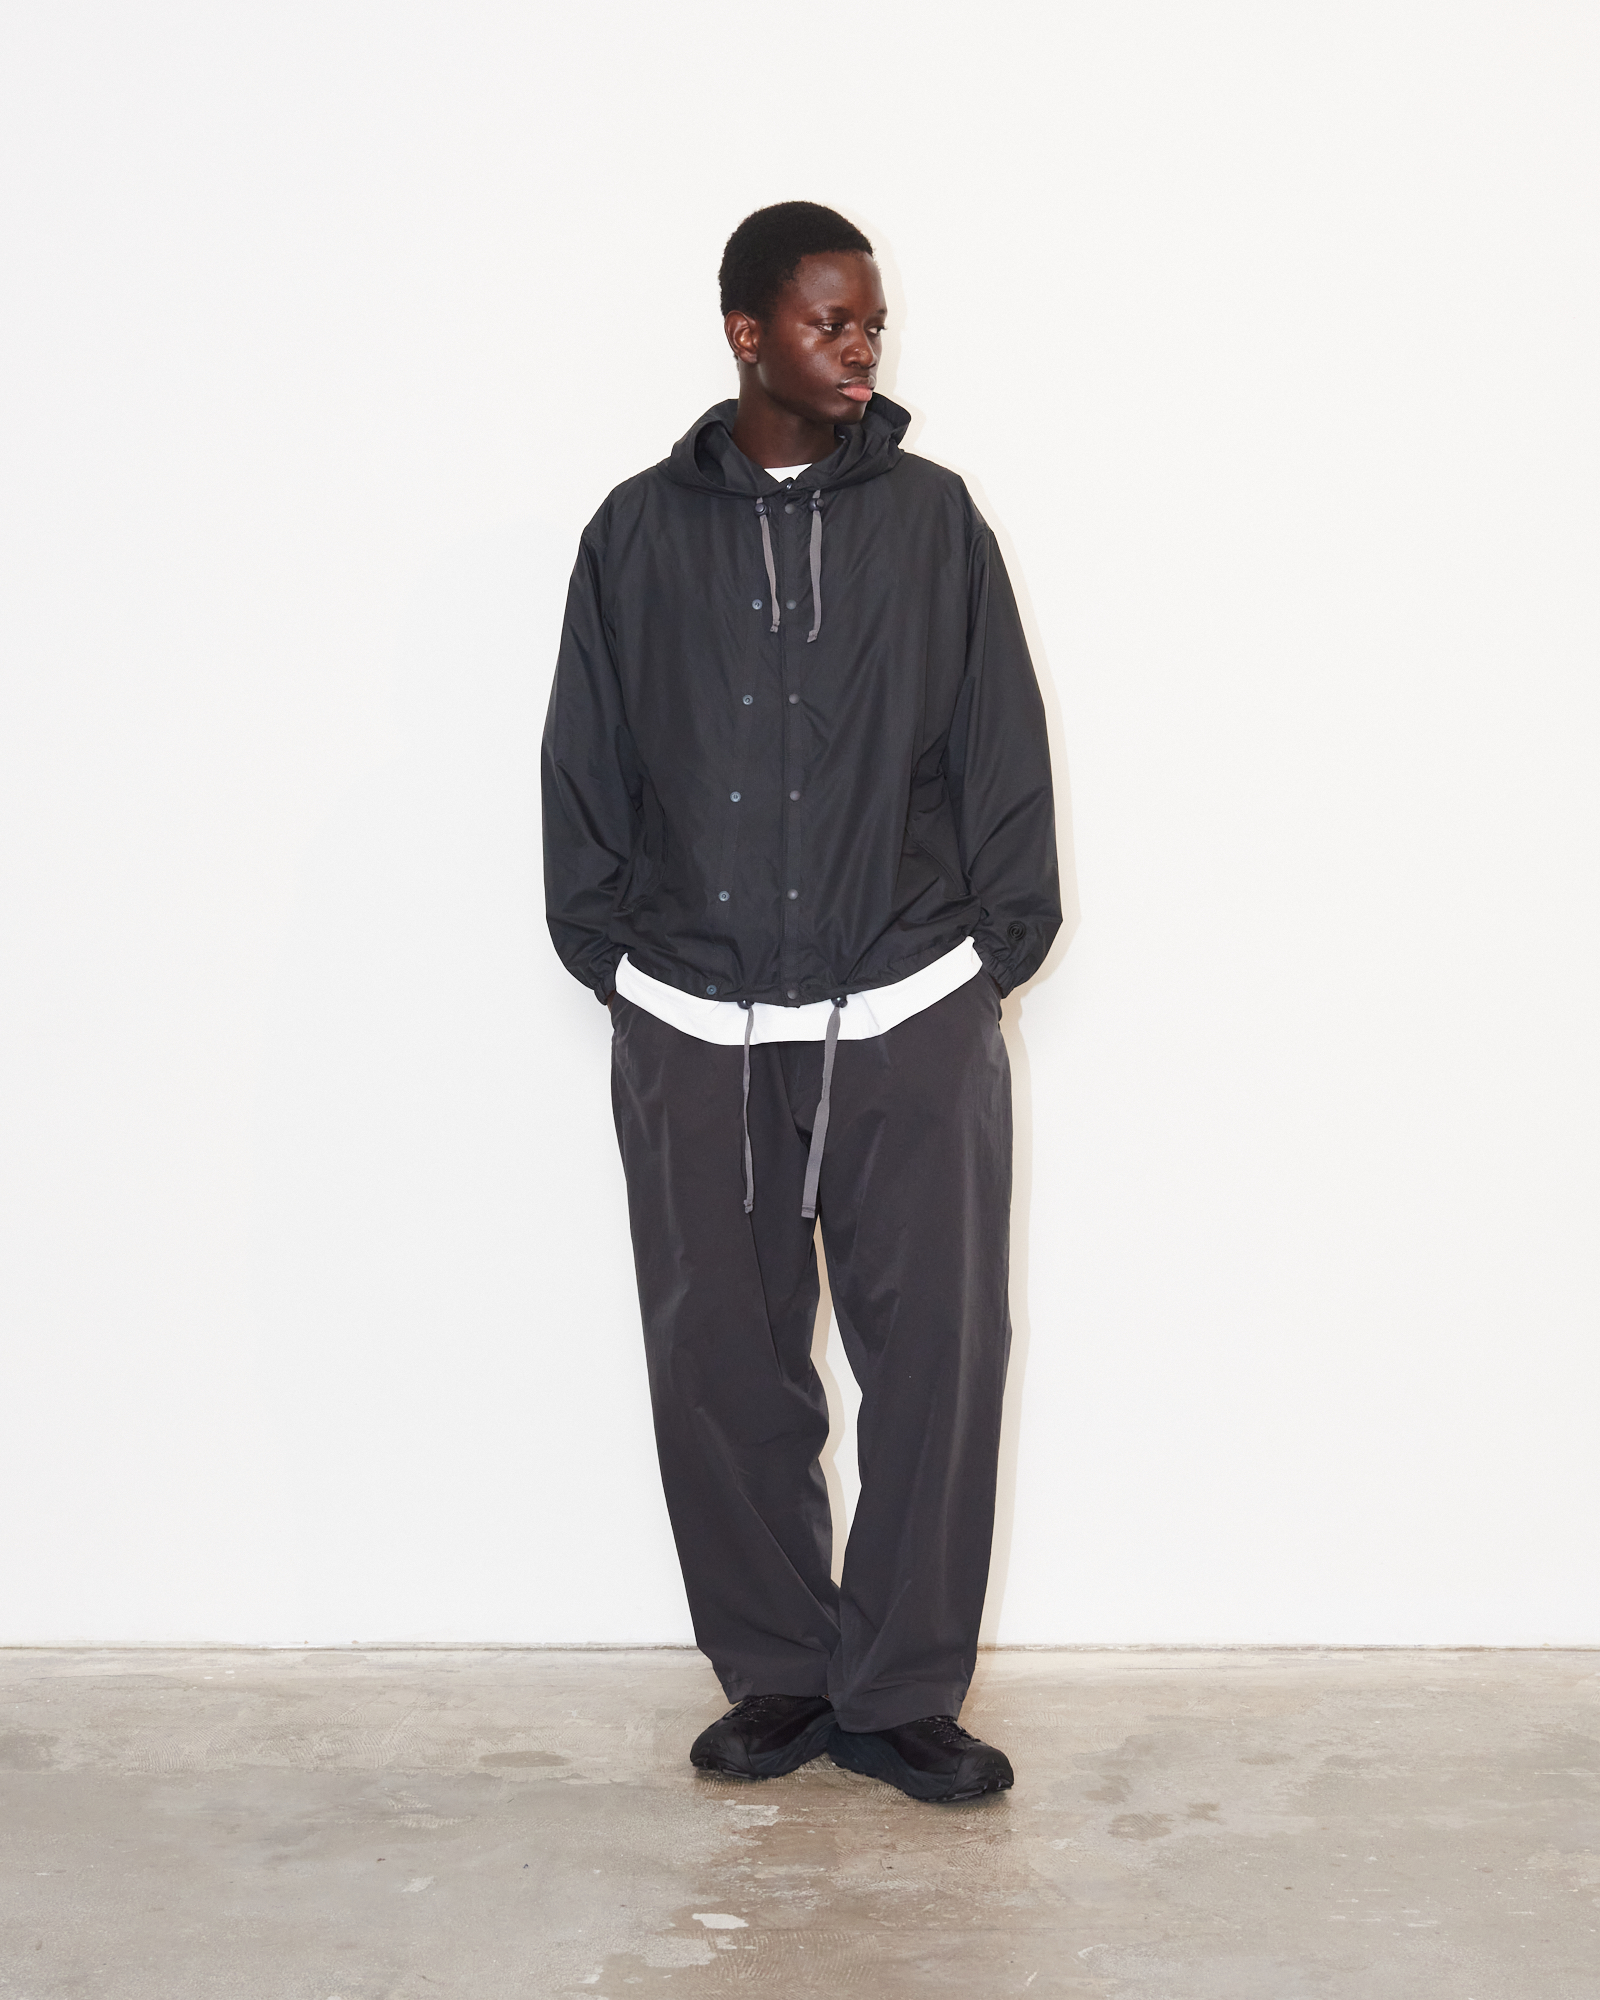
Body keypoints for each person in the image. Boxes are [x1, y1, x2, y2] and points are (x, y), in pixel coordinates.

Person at [542, 201, 1060, 1804]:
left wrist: (992, 956)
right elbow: (586, 763)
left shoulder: (932, 522)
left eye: (874, 323)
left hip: (907, 1007)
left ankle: (901, 1692)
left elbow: (1000, 747)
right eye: (832, 322)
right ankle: (778, 1673)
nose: (861, 349)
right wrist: (617, 965)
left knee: (941, 1359)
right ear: (745, 331)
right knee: (720, 1366)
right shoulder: (635, 535)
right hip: (695, 1024)